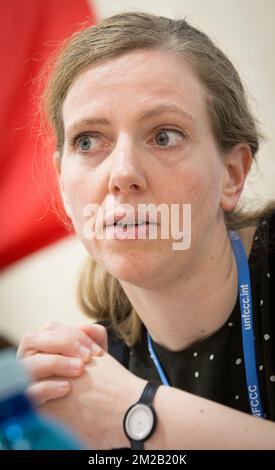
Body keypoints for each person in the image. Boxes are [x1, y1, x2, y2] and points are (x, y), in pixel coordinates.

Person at [17, 12, 275, 449]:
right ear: (62, 181)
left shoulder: (114, 397)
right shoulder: (100, 368)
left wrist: (138, 411)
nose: (123, 173)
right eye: (87, 141)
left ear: (232, 173)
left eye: (164, 136)